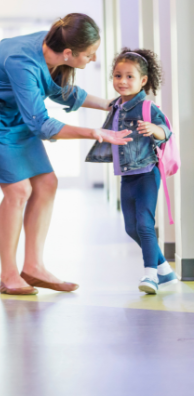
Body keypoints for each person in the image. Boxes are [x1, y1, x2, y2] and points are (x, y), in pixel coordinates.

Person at [0, 14, 132, 295]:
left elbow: (61, 92)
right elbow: (41, 124)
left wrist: (110, 105)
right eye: (89, 54)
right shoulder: (22, 62)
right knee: (18, 191)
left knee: (47, 183)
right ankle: (8, 274)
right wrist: (95, 132)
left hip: (14, 114)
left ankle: (33, 267)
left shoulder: (52, 46)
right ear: (69, 53)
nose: (94, 58)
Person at [85, 48, 178, 294]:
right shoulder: (116, 106)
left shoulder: (147, 107)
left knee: (145, 225)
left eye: (129, 77)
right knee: (131, 228)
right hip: (126, 176)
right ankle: (165, 271)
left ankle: (150, 275)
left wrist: (153, 129)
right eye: (118, 76)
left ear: (143, 80)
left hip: (147, 172)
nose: (122, 81)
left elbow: (166, 132)